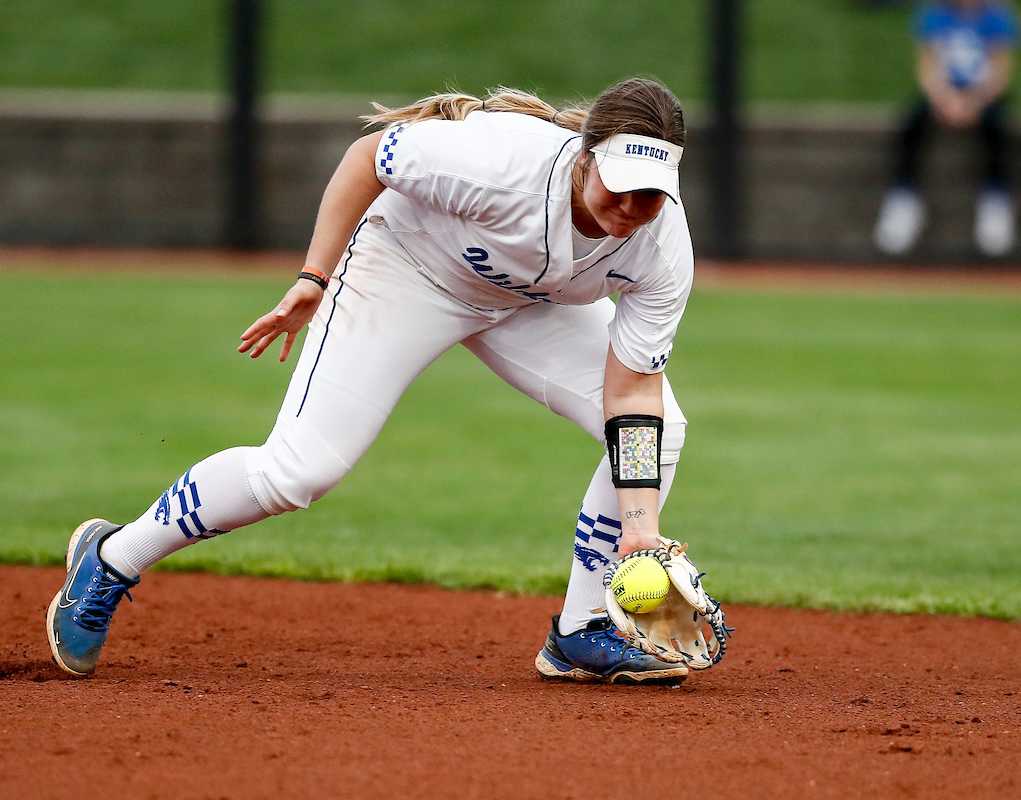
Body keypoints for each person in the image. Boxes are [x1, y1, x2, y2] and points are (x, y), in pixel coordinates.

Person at [47, 78, 697, 686]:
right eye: (621, 184)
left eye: (652, 192)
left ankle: (581, 629)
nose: (634, 206)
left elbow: (633, 393)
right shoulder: (500, 163)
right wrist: (314, 276)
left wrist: (639, 525)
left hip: (530, 305)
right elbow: (368, 159)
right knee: (298, 472)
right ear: (585, 158)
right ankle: (111, 557)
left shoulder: (660, 244)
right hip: (408, 271)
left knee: (660, 429)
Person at [875, 0, 1019, 257]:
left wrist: (975, 102)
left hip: (983, 96)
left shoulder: (997, 15)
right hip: (943, 95)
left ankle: (995, 203)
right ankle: (903, 199)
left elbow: (1001, 69)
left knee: (996, 128)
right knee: (911, 124)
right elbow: (928, 65)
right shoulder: (935, 14)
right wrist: (945, 100)